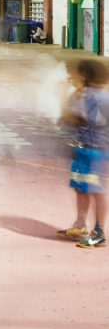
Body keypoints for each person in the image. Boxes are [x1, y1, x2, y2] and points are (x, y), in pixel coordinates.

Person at [57, 58, 109, 248]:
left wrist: (64, 94)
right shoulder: (84, 94)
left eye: (75, 74)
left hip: (97, 151)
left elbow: (70, 118)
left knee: (97, 191)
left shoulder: (97, 97)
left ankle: (100, 233)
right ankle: (80, 225)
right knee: (81, 188)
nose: (72, 76)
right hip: (83, 149)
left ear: (86, 75)